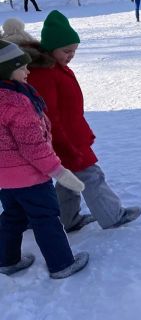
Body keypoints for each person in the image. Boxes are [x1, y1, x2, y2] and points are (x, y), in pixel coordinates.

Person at [24, 11, 141, 233]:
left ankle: (68, 219)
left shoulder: (55, 66)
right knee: (91, 175)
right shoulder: (44, 73)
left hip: (72, 135)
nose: (71, 55)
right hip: (65, 140)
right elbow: (50, 116)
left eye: (74, 51)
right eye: (66, 51)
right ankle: (112, 215)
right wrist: (65, 146)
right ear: (51, 48)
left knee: (68, 181)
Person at [0, 40, 89, 279]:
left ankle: (7, 260)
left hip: (5, 180)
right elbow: (33, 146)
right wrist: (59, 172)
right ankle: (61, 264)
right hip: (31, 178)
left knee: (13, 217)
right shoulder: (17, 102)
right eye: (22, 67)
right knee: (46, 218)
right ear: (6, 71)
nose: (28, 72)